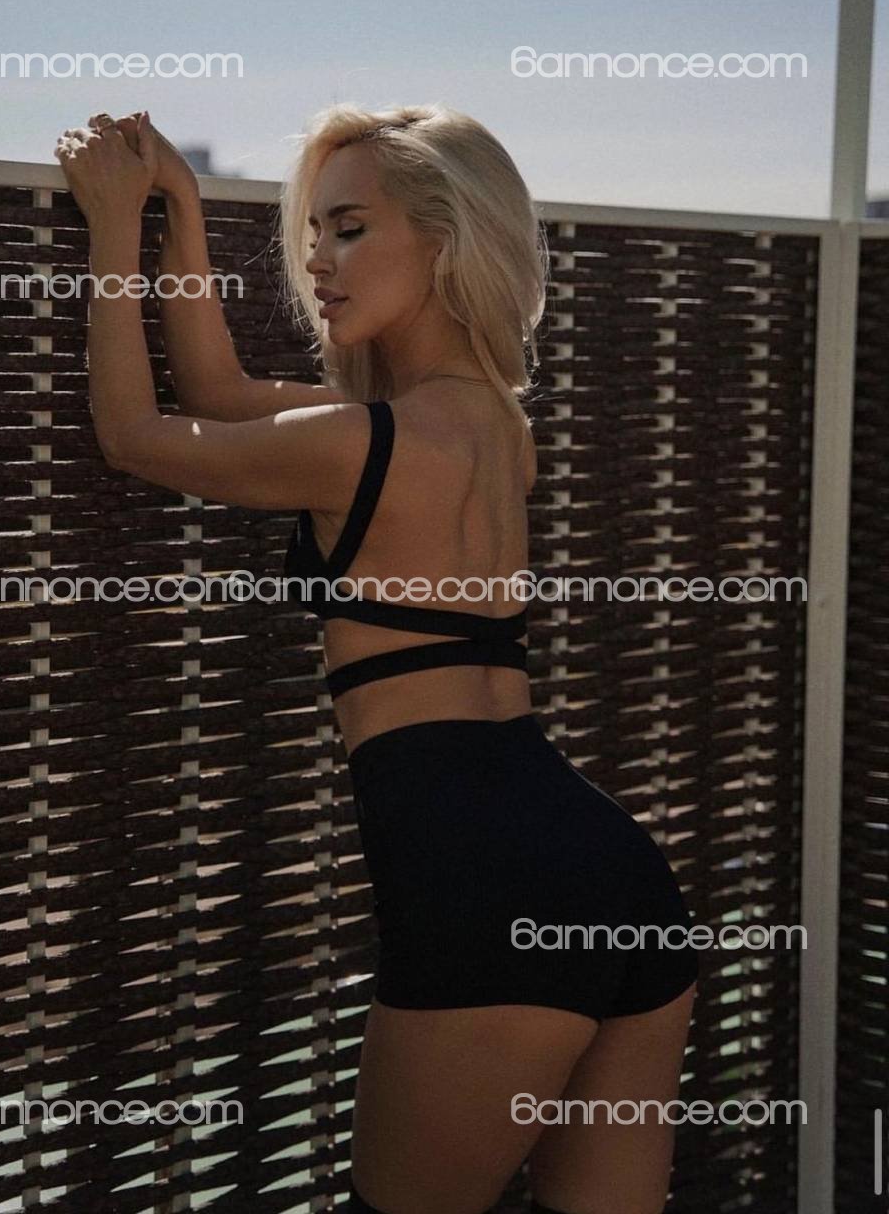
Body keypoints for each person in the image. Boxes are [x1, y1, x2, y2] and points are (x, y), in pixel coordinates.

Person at [55, 103, 699, 1214]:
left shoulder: (359, 444)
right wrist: (183, 213)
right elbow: (221, 397)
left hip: (488, 898)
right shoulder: (494, 426)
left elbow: (134, 432)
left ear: (448, 243)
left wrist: (114, 225)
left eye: (350, 229)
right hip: (617, 878)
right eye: (314, 231)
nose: (318, 259)